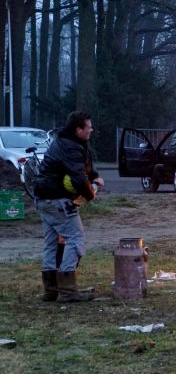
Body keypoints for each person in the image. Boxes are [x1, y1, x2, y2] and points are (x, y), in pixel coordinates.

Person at [34, 111, 104, 302]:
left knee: (51, 242)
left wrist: (94, 175)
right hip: (58, 200)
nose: (92, 129)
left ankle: (51, 289)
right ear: (78, 129)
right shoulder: (71, 146)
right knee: (75, 240)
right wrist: (90, 195)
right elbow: (78, 177)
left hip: (42, 198)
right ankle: (68, 291)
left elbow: (82, 165)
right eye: (88, 127)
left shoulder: (66, 140)